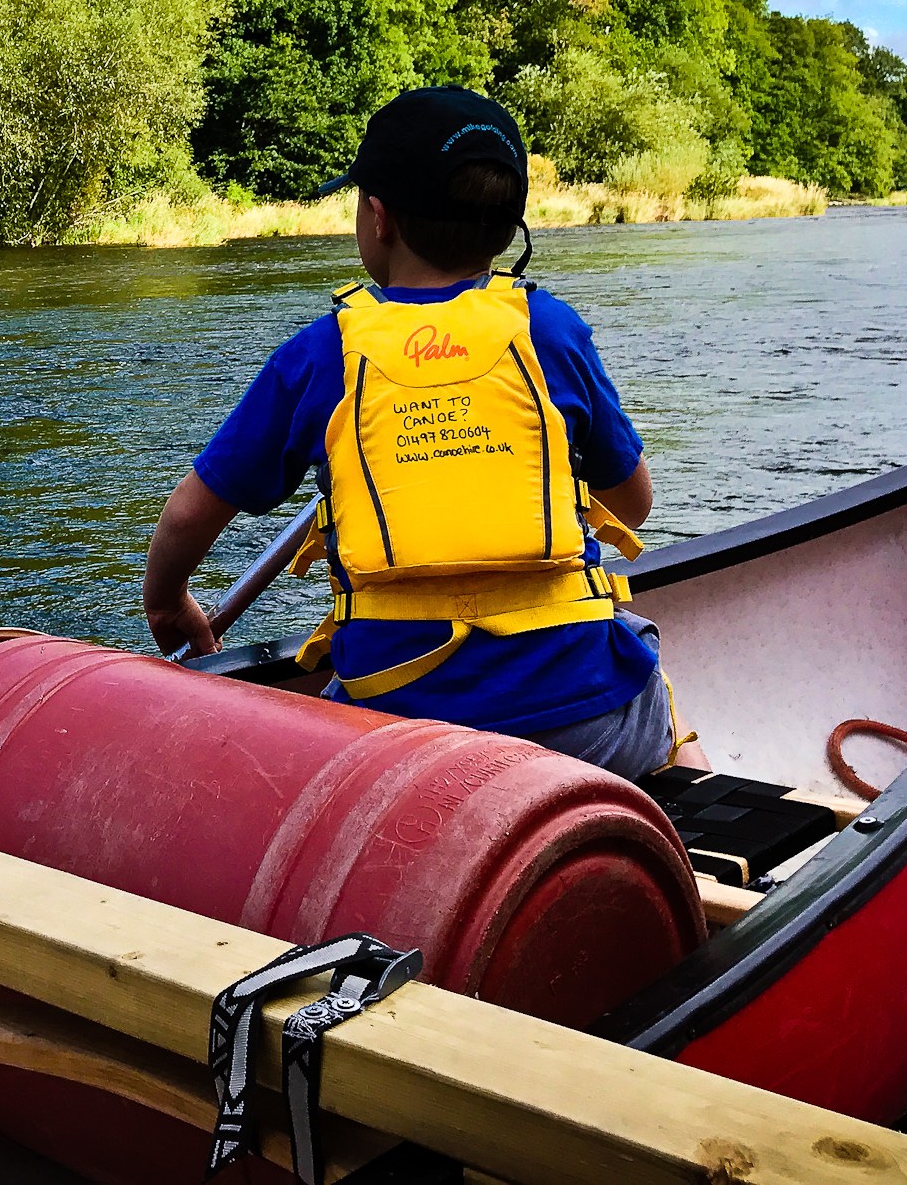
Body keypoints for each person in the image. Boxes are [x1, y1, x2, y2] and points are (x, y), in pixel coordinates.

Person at [142, 86, 703, 779]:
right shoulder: (552, 330)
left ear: (377, 217)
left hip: (398, 725)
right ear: (508, 225)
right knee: (643, 662)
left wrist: (168, 605)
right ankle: (693, 798)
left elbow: (188, 516)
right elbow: (634, 505)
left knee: (338, 708)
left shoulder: (320, 355)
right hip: (586, 729)